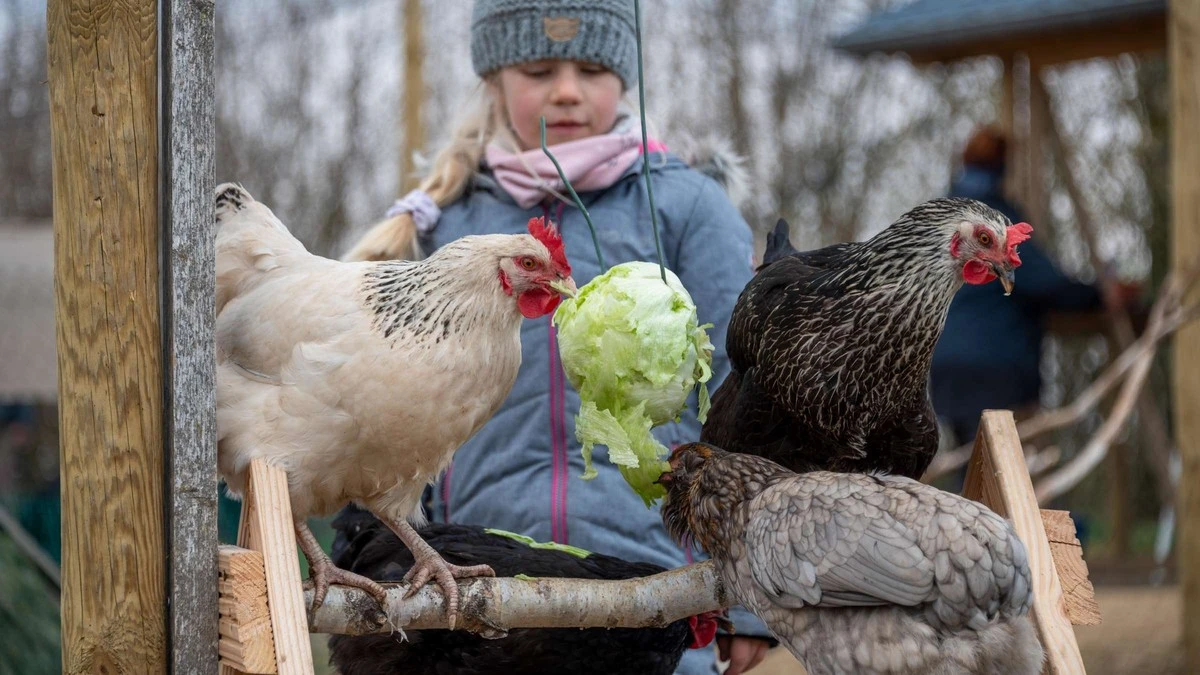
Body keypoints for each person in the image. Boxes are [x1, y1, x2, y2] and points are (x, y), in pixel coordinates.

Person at [339, 2, 771, 673]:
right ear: (495, 79)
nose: (567, 90)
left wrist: (747, 601)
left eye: (592, 68)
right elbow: (388, 414)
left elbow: (748, 404)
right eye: (539, 69)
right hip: (480, 598)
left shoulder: (688, 208)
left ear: (624, 79)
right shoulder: (449, 225)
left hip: (657, 598)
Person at [931, 126, 1137, 458]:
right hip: (997, 372)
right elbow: (1046, 284)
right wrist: (1099, 295)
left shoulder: (940, 220)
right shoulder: (997, 222)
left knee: (970, 482)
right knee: (1007, 485)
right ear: (1003, 167)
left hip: (945, 371)